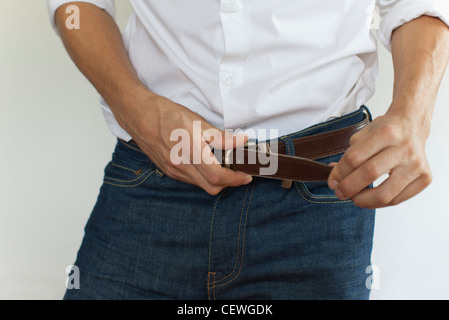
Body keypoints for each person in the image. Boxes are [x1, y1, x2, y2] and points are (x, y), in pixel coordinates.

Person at [47, 0, 449, 300]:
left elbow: (418, 6)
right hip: (154, 174)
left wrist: (413, 115)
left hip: (320, 195)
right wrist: (133, 106)